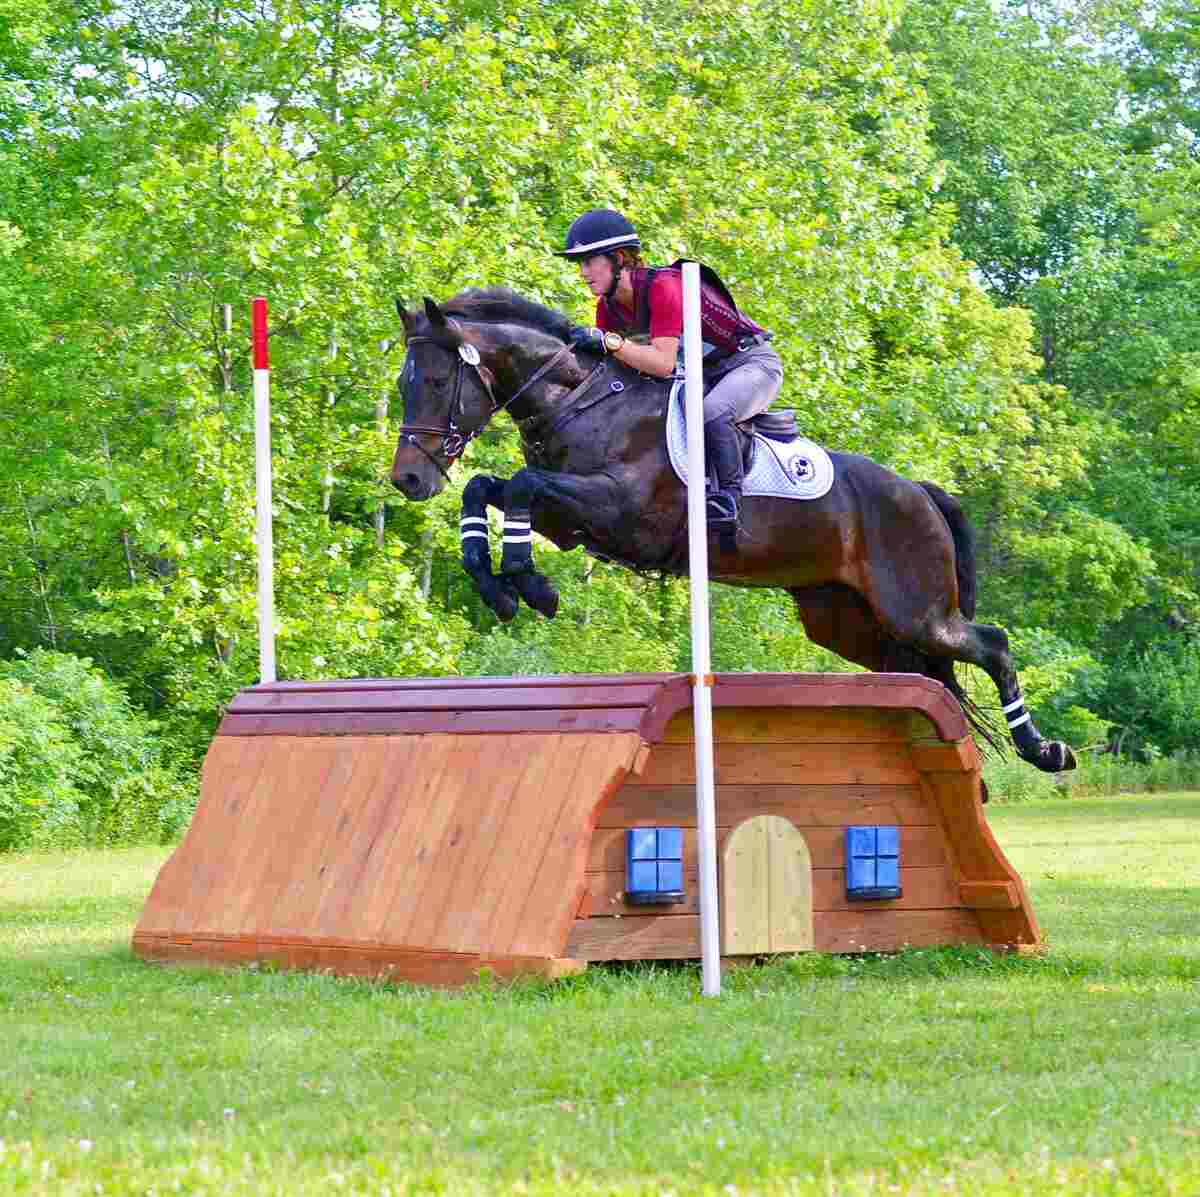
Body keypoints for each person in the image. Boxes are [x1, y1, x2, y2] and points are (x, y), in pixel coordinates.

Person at [556, 208, 783, 526]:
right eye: (580, 263)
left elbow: (662, 363)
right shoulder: (607, 308)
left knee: (712, 411)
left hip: (750, 364)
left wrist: (612, 344)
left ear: (619, 258)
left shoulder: (665, 286)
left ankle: (729, 499)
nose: (583, 272)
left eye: (589, 261)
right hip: (700, 374)